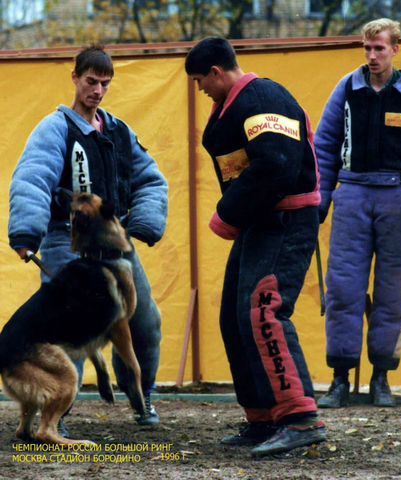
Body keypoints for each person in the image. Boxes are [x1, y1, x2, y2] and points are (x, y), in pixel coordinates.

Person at [8, 45, 168, 430]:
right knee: (68, 327)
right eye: (91, 81)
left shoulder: (117, 131)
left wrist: (143, 224)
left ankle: (141, 397)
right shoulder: (55, 128)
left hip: (115, 244)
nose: (97, 90)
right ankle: (56, 415)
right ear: (75, 78)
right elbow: (32, 177)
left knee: (145, 323)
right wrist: (27, 231)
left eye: (105, 84)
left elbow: (151, 179)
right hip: (68, 240)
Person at [185, 37, 326, 457]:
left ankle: (300, 419)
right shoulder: (236, 104)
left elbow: (276, 165)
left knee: (265, 308)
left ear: (216, 72)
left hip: (285, 218)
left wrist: (226, 213)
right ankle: (264, 417)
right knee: (235, 316)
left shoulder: (264, 97)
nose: (200, 91)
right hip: (260, 220)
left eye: (199, 81)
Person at [315, 18, 401, 408]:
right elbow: (324, 148)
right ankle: (339, 379)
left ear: (396, 48)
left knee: (393, 294)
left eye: (379, 48)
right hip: (354, 195)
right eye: (367, 48)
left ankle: (381, 379)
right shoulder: (346, 89)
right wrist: (318, 201)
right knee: (342, 289)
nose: (372, 56)